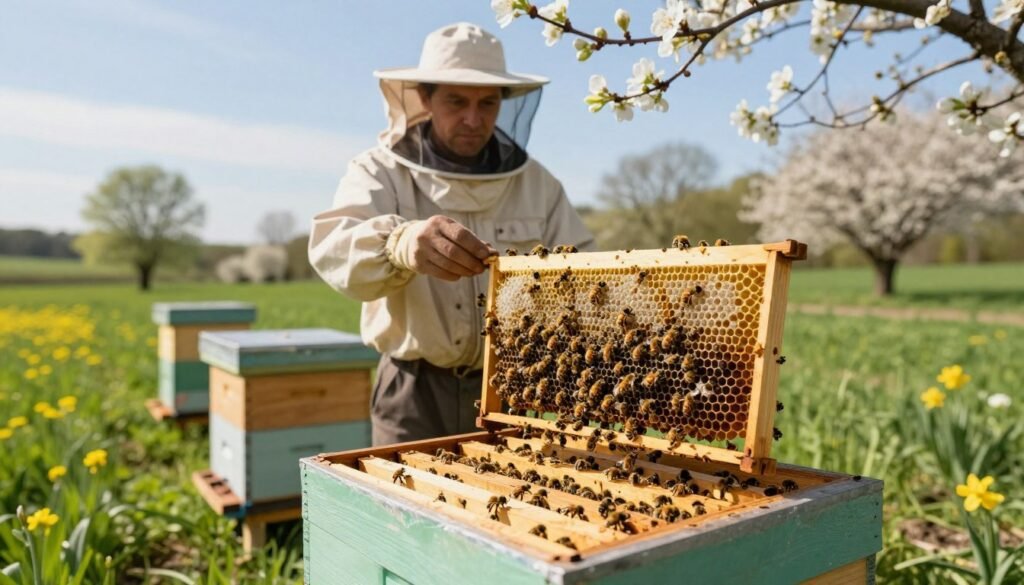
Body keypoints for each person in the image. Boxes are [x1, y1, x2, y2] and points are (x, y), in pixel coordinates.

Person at [308, 22, 594, 446]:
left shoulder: (538, 185)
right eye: (457, 101)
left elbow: (589, 280)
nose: (473, 119)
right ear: (424, 97)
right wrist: (399, 244)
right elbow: (334, 249)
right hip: (413, 392)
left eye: (488, 103)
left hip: (514, 390)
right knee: (401, 512)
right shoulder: (379, 171)